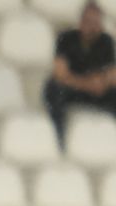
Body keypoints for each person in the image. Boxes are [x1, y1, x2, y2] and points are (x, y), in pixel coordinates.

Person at [43, 2, 116, 147]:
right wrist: (87, 83)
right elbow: (60, 74)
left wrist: (102, 82)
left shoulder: (106, 41)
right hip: (73, 88)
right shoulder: (66, 38)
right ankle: (59, 140)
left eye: (96, 22)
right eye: (89, 22)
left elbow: (112, 74)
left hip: (95, 91)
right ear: (81, 21)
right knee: (54, 89)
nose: (92, 26)